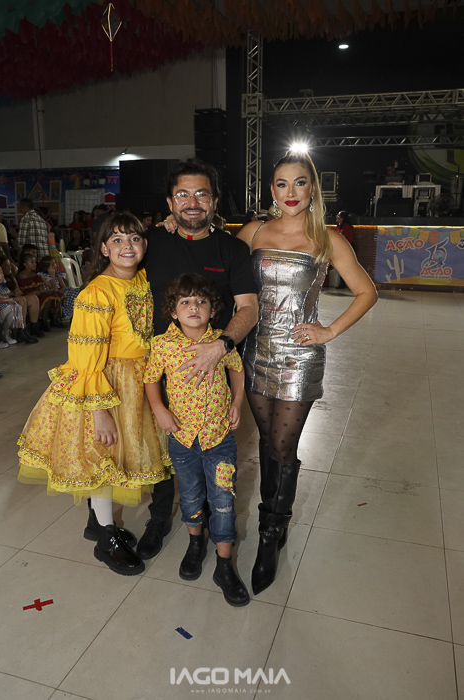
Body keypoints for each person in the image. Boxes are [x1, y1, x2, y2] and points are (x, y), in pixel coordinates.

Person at [237, 151, 378, 595]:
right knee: (267, 442)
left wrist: (328, 331)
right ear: (272, 190)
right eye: (282, 184)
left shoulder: (327, 237)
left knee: (282, 446)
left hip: (299, 357)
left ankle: (270, 533)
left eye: (300, 183)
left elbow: (366, 292)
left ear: (312, 187)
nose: (291, 192)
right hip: (255, 352)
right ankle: (274, 521)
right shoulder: (253, 231)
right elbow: (217, 270)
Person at [17, 213, 172, 576]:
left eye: (134, 239)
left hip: (137, 382)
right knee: (104, 459)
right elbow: (85, 357)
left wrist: (163, 227)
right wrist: (98, 410)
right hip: (105, 384)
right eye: (117, 240)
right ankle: (107, 539)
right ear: (103, 249)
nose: (127, 246)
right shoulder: (97, 293)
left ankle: (97, 523)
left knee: (121, 458)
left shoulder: (142, 280)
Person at [137, 158, 258, 560]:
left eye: (201, 194)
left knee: (210, 462)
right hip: (159, 364)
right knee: (164, 450)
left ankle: (211, 528)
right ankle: (160, 520)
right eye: (183, 195)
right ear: (170, 202)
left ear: (215, 201)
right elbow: (115, 263)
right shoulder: (152, 242)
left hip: (212, 371)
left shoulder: (232, 248)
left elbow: (249, 308)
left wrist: (221, 345)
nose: (192, 202)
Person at [144, 272, 250, 606]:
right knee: (190, 497)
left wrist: (237, 402)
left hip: (219, 438)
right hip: (183, 439)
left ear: (212, 310)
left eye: (201, 301)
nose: (194, 307)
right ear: (173, 311)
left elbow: (237, 370)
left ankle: (224, 563)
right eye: (185, 301)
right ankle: (194, 543)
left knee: (223, 500)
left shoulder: (221, 342)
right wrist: (159, 409)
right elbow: (150, 379)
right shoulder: (162, 345)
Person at [17, 253, 62, 331]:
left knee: (51, 296)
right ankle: (37, 322)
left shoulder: (35, 275)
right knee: (43, 298)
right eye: (32, 262)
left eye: (35, 262)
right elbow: (20, 292)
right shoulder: (20, 277)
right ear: (25, 264)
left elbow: (45, 288)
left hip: (37, 294)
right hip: (26, 296)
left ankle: (43, 321)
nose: (35, 264)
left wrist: (42, 291)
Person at [0, 259, 38, 344]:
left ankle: (34, 327)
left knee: (33, 298)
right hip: (4, 301)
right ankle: (21, 329)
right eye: (6, 265)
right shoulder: (0, 279)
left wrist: (17, 291)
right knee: (21, 300)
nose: (10, 267)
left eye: (10, 265)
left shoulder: (10, 277)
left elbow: (17, 290)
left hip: (12, 297)